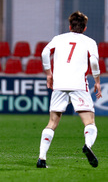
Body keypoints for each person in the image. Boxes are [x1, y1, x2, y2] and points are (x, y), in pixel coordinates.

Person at [37, 11, 102, 168]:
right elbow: (93, 62)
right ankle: (87, 145)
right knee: (89, 122)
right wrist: (97, 82)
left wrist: (48, 74)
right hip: (79, 84)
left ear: (69, 26)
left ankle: (42, 158)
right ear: (85, 28)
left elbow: (45, 52)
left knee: (52, 122)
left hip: (59, 84)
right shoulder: (90, 41)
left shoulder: (59, 38)